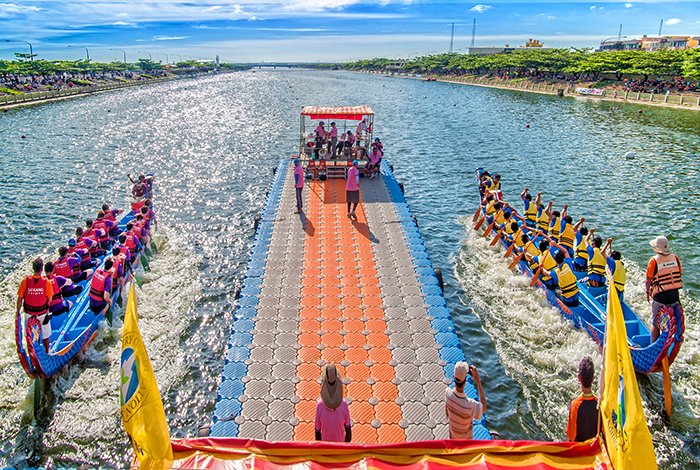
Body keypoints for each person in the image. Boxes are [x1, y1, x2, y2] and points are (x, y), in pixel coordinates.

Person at [646, 236, 683, 342]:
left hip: (660, 297)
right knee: (673, 323)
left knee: (656, 324)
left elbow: (648, 280)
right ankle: (671, 343)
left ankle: (654, 345)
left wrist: (647, 292)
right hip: (674, 296)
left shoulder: (654, 261)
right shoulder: (675, 258)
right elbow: (678, 274)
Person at [17, 258, 54, 353]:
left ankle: (30, 351)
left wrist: (17, 312)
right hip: (42, 313)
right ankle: (47, 351)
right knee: (45, 334)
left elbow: (20, 299)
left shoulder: (25, 281)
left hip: (29, 313)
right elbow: (50, 299)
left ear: (33, 268)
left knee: (29, 334)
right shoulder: (47, 282)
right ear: (42, 269)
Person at [445, 361, 486, 439]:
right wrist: (478, 381)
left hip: (453, 440)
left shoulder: (448, 394)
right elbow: (483, 407)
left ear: (454, 377)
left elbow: (454, 390)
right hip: (466, 443)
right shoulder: (469, 405)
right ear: (465, 382)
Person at [314, 364, 351, 442]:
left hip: (325, 447)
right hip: (340, 446)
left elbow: (317, 432)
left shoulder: (320, 406)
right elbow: (348, 433)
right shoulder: (343, 404)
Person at [567, 357, 599, 442]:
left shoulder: (575, 405)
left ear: (579, 378)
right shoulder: (600, 404)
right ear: (593, 379)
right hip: (594, 448)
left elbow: (571, 437)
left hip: (580, 448)